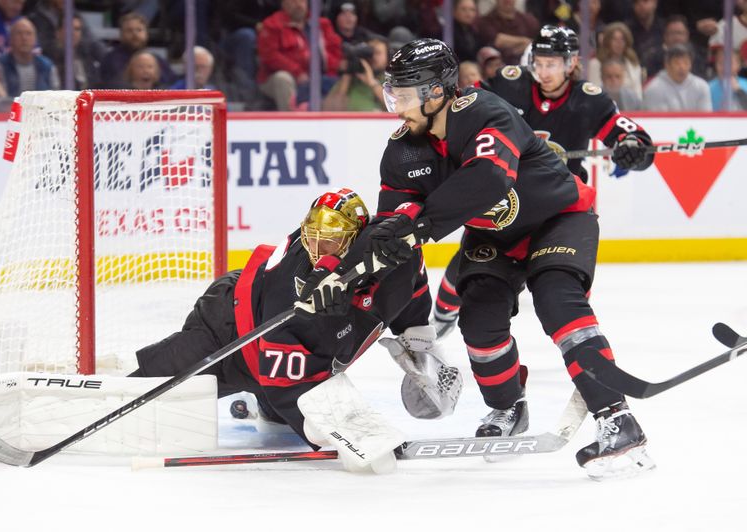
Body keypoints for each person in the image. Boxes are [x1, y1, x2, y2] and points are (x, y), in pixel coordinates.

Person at [301, 38, 655, 479]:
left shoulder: (487, 111)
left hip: (558, 218)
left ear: (436, 92)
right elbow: (394, 221)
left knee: (558, 301)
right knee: (479, 322)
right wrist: (348, 271)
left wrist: (422, 225)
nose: (397, 106)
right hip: (493, 236)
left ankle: (617, 420)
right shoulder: (401, 150)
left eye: (406, 94)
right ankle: (508, 406)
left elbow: (488, 180)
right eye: (394, 93)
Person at [132, 188, 450, 460]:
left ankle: (262, 403)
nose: (316, 251)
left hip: (274, 353)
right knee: (142, 393)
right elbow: (283, 375)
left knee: (278, 414)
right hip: (228, 331)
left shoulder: (392, 253)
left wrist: (417, 339)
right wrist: (344, 432)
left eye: (329, 243)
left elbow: (413, 285)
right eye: (310, 240)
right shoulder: (297, 291)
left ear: (356, 238)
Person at [432, 26, 653, 338]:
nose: (544, 71)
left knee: (566, 284)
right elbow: (461, 106)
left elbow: (632, 137)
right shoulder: (510, 84)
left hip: (558, 210)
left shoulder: (590, 100)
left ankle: (584, 350)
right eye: (539, 62)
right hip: (506, 204)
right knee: (466, 268)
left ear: (572, 62)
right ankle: (439, 322)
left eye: (553, 64)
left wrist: (632, 147)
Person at [257, 0, 343, 111]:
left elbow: (334, 51)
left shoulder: (322, 24)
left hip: (319, 78)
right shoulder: (272, 24)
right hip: (281, 78)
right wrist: (297, 72)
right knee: (283, 79)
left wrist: (332, 73)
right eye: (293, 1)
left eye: (302, 1)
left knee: (343, 82)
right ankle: (293, 122)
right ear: (284, 4)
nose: (299, 5)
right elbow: (269, 56)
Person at [0, 18, 60, 97]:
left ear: (35, 39)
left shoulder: (47, 66)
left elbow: (55, 96)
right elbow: (1, 100)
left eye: (28, 34)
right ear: (10, 39)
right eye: (19, 33)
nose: (24, 38)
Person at [643, 43, 712, 111]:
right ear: (667, 65)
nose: (682, 67)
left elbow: (705, 118)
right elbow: (659, 120)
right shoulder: (654, 89)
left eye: (686, 63)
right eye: (677, 63)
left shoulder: (701, 86)